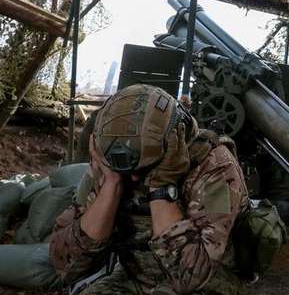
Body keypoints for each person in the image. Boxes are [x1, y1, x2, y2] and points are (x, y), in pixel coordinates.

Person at [50, 84, 249, 294]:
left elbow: (191, 276)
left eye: (143, 169)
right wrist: (112, 184)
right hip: (136, 277)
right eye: (128, 171)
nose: (134, 178)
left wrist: (162, 187)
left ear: (174, 145)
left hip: (206, 284)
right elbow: (65, 264)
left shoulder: (214, 164)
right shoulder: (110, 164)